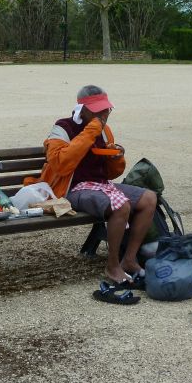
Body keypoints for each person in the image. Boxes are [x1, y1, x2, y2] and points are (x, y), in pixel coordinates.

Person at [27, 85, 157, 285]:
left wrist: (116, 157)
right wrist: (89, 133)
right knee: (120, 205)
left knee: (149, 198)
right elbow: (60, 164)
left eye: (106, 109)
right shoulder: (63, 128)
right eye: (98, 109)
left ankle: (129, 259)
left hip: (100, 185)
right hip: (71, 189)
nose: (104, 114)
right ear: (81, 109)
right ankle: (112, 266)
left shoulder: (104, 132)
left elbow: (112, 174)